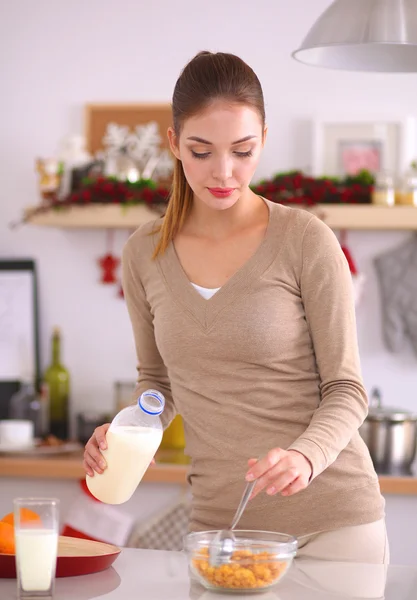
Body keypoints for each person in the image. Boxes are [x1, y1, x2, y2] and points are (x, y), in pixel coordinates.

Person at [84, 51, 388, 564]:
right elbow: (157, 385)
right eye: (201, 151)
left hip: (332, 524)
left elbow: (347, 389)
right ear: (175, 143)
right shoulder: (143, 253)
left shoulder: (305, 240)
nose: (223, 172)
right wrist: (125, 430)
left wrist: (304, 457)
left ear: (263, 139)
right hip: (222, 530)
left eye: (242, 150)